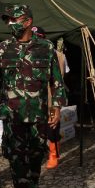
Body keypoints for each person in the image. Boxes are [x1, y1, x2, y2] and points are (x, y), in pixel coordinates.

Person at [0, 4, 66, 188]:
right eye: (8, 20)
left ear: (28, 21)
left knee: (36, 154)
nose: (11, 24)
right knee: (16, 157)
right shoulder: (2, 49)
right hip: (13, 116)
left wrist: (57, 107)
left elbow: (56, 82)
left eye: (15, 19)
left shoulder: (46, 48)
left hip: (38, 114)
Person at [32, 26, 69, 169]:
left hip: (51, 97)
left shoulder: (59, 55)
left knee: (52, 128)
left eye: (39, 37)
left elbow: (64, 74)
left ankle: (53, 155)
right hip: (32, 99)